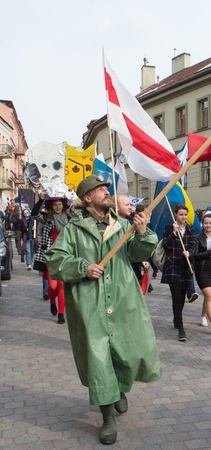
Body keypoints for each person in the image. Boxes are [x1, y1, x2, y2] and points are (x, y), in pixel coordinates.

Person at [45, 174, 161, 445]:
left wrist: (143, 233)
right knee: (98, 359)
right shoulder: (73, 230)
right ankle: (107, 417)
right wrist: (82, 267)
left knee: (127, 351)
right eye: (101, 190)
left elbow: (137, 253)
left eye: (107, 189)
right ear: (87, 198)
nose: (107, 193)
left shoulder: (122, 224)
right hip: (90, 302)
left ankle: (119, 388)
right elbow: (55, 261)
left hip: (122, 298)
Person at [32, 193, 72, 324]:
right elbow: (34, 214)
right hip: (50, 257)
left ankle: (61, 314)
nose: (58, 207)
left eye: (60, 204)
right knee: (53, 287)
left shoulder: (70, 219)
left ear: (64, 205)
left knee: (62, 286)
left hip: (65, 256)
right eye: (55, 205)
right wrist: (42, 198)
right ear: (51, 206)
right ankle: (52, 301)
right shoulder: (46, 218)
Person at [161, 204, 197, 342]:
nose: (183, 217)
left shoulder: (190, 229)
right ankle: (181, 328)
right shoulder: (168, 228)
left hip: (185, 267)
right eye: (181, 214)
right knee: (176, 297)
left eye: (185, 214)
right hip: (173, 267)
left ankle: (177, 318)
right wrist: (174, 233)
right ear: (175, 214)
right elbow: (165, 246)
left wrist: (190, 253)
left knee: (182, 297)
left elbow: (194, 246)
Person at [194, 214, 211, 334]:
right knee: (210, 296)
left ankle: (203, 316)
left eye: (210, 223)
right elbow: (196, 256)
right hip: (202, 269)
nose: (208, 225)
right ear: (202, 224)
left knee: (209, 296)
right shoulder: (197, 238)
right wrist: (210, 251)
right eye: (205, 223)